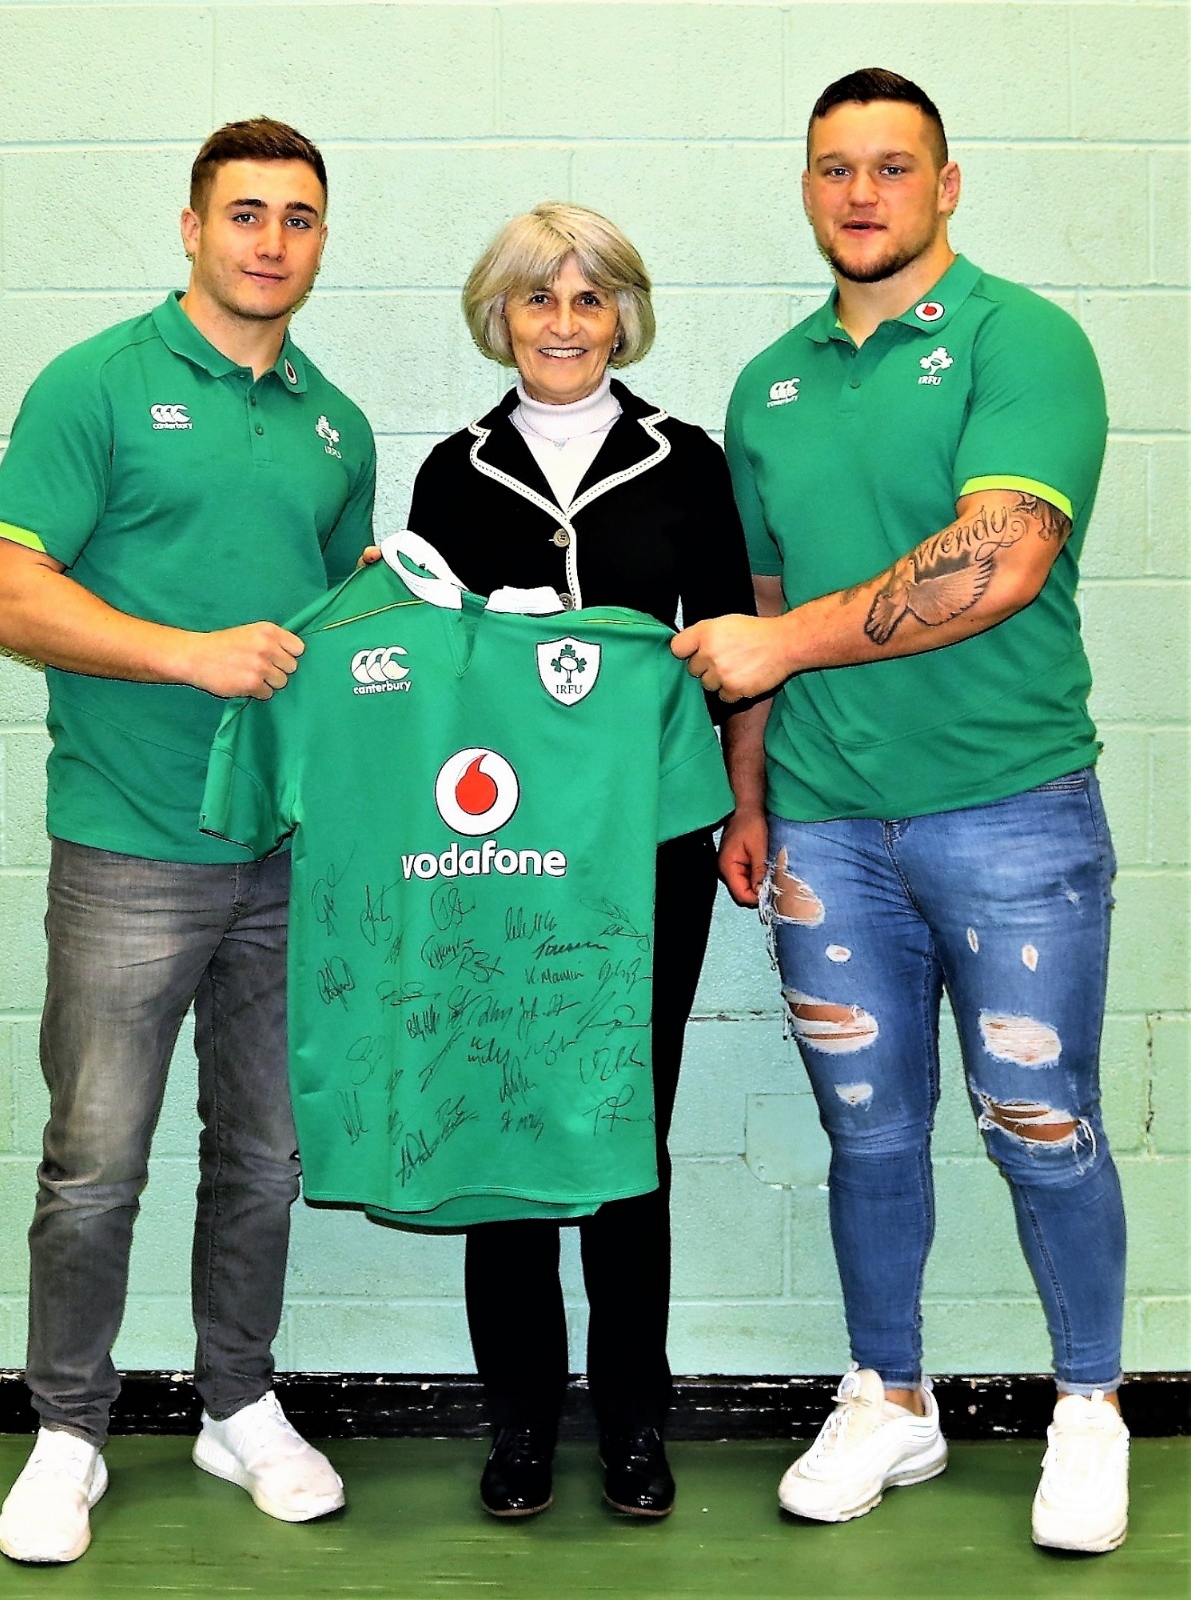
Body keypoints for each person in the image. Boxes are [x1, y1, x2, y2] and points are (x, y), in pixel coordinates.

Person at [673, 70, 1129, 1554]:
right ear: (808, 189)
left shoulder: (1022, 339)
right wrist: (748, 795)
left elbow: (998, 556)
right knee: (868, 1133)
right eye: (834, 169)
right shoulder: (769, 383)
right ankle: (890, 1397)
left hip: (1011, 811)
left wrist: (780, 645)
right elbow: (760, 602)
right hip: (823, 827)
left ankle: (1088, 1407)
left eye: (891, 166)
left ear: (947, 184)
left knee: (1041, 1123)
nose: (861, 193)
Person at [0, 117, 375, 1564]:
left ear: (321, 242)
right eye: (246, 213)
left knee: (265, 1155)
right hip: (128, 847)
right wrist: (188, 655)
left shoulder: (338, 428)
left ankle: (237, 1404)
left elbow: (332, 641)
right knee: (94, 1162)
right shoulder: (95, 384)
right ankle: (67, 1431)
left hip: (286, 854)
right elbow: (6, 596)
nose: (272, 240)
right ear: (193, 228)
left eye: (299, 217)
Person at [404, 202, 755, 1519]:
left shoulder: (688, 461)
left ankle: (634, 1424)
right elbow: (429, 680)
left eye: (589, 299)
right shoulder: (453, 472)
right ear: (500, 316)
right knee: (504, 1114)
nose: (563, 325)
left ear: (625, 316)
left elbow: (736, 653)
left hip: (649, 844)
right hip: (498, 854)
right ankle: (518, 1425)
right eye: (538, 299)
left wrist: (745, 805)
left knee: (624, 1127)